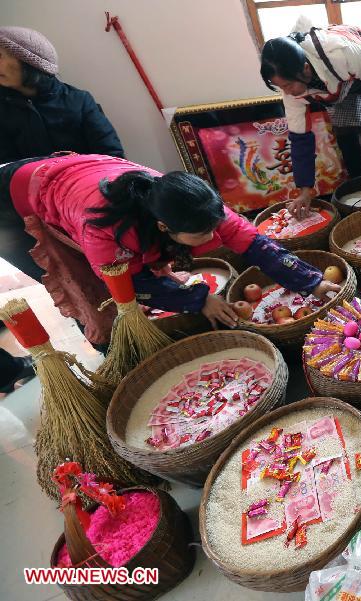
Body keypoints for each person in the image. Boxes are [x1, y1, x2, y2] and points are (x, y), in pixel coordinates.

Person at [0, 154, 342, 336]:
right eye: (200, 237)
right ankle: (108, 349)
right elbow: (128, 282)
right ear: (164, 227)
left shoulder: (195, 206)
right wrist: (197, 299)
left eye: (214, 229)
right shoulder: (105, 227)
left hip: (75, 168)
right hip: (13, 200)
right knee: (85, 287)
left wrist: (310, 280)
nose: (212, 240)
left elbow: (257, 245)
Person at [0, 27, 124, 392]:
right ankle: (111, 356)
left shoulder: (77, 101)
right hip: (19, 224)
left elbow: (112, 158)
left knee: (109, 281)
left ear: (28, 61)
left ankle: (139, 337)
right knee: (72, 291)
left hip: (82, 216)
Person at [260, 25, 361, 219]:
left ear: (305, 69)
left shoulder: (340, 53)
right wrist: (305, 191)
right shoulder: (292, 90)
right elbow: (300, 140)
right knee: (347, 137)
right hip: (337, 86)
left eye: (287, 85)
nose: (286, 92)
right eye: (280, 87)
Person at [0, 26, 124, 163]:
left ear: (29, 62)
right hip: (27, 182)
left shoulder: (80, 101)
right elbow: (5, 165)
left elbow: (112, 157)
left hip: (86, 181)